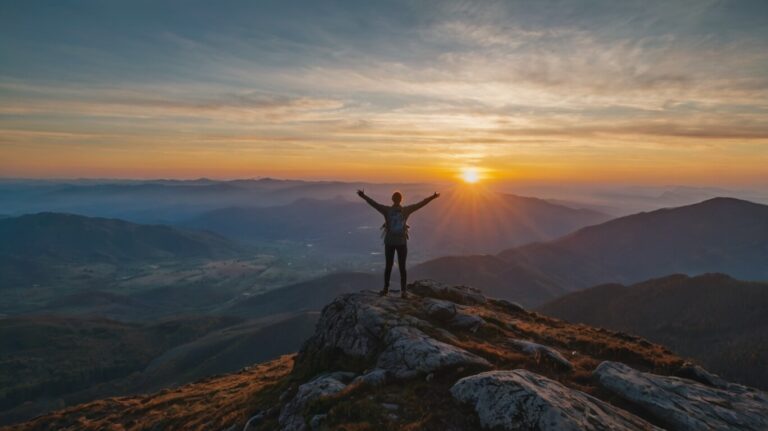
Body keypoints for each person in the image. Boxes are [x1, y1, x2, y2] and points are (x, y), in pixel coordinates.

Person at [357, 189, 440, 298]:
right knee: (402, 267)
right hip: (401, 242)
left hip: (389, 242)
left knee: (388, 266)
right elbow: (421, 204)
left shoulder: (386, 210)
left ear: (392, 199)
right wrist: (432, 197)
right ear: (401, 200)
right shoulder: (406, 210)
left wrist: (363, 196)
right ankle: (403, 291)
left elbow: (374, 204)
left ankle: (385, 290)